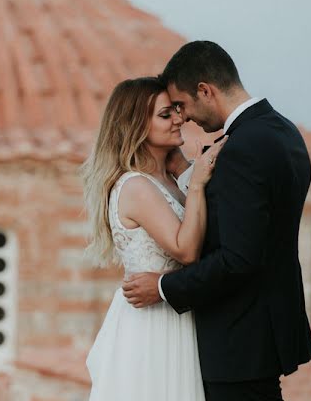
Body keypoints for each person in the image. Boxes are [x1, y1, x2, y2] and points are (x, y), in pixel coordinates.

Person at [122, 41, 311, 401]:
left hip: (237, 339)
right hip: (265, 330)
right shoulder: (281, 132)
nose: (184, 118)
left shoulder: (241, 149)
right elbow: (246, 214)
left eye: (181, 105)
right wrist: (186, 174)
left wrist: (163, 288)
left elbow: (237, 259)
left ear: (205, 90)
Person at [82, 76, 227, 401]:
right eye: (165, 115)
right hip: (153, 323)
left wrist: (187, 172)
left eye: (176, 110)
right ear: (137, 126)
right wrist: (200, 181)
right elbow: (187, 250)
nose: (178, 119)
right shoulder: (136, 186)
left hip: (174, 312)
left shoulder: (165, 180)